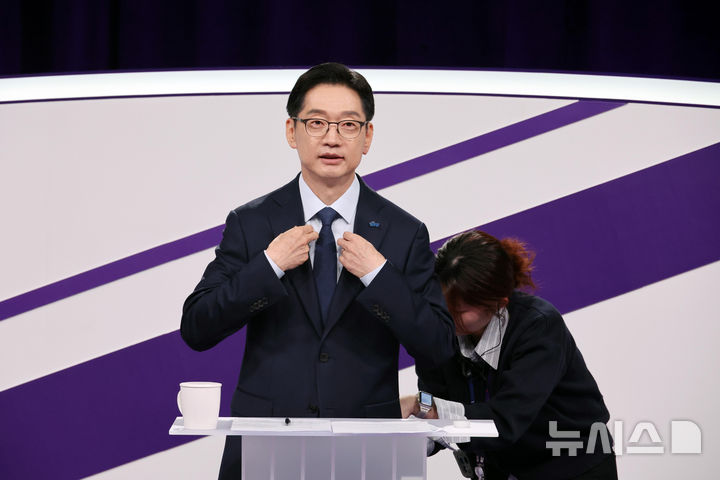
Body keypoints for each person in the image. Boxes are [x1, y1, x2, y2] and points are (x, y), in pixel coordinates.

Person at [180, 62, 456, 478]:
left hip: (365, 451)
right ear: (292, 132)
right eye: (316, 123)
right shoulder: (252, 222)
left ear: (367, 136)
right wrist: (269, 265)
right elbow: (197, 327)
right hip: (266, 446)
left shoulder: (403, 231)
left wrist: (380, 277)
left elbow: (439, 346)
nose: (332, 137)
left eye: (348, 125)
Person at [401, 230, 617, 479]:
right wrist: (400, 441)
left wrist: (420, 404)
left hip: (572, 466)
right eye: (442, 304)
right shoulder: (438, 330)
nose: (447, 316)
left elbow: (505, 422)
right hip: (500, 468)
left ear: (498, 302)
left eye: (458, 310)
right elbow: (438, 406)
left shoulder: (539, 327)